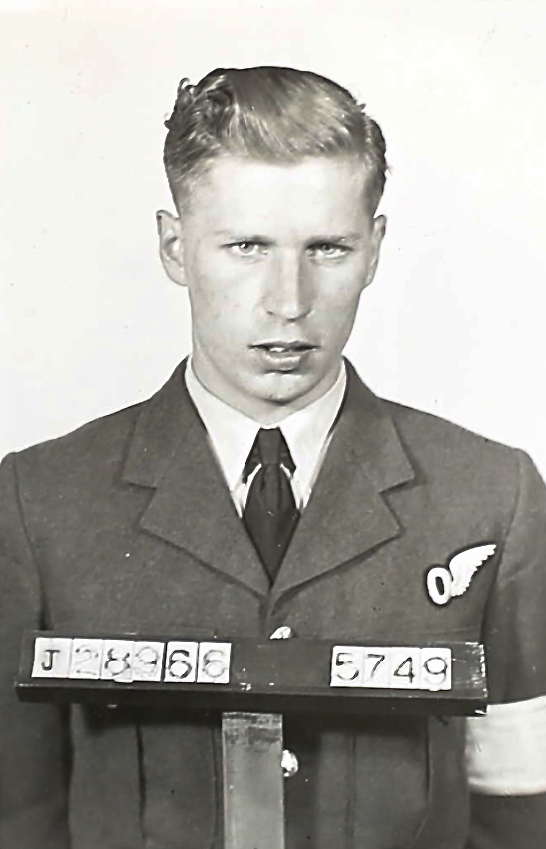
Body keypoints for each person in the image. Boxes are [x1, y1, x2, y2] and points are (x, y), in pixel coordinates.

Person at [1, 65, 545, 849]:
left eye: (327, 248)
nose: (289, 300)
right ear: (175, 246)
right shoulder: (40, 502)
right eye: (246, 246)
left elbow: (524, 813)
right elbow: (17, 814)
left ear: (375, 250)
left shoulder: (492, 497)